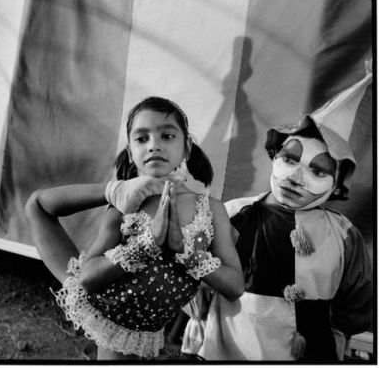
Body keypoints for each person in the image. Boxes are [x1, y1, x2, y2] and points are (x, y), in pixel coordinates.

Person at [25, 97, 244, 359]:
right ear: (130, 152)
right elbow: (88, 278)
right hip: (108, 314)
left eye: (166, 136)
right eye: (141, 139)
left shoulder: (210, 208)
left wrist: (185, 251)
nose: (154, 145)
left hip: (147, 327)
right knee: (36, 206)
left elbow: (235, 286)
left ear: (186, 147)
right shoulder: (125, 205)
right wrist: (146, 241)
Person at [186, 62, 374, 361]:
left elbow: (356, 309)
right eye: (290, 159)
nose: (295, 177)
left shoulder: (344, 235)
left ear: (337, 184)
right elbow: (195, 283)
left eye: (317, 170)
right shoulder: (233, 213)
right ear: (275, 155)